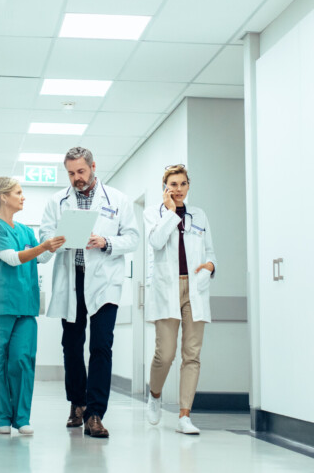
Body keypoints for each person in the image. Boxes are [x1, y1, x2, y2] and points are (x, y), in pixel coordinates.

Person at [40, 147, 139, 438]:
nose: (76, 178)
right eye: (71, 173)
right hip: (72, 282)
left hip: (105, 283)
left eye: (81, 171)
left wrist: (105, 241)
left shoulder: (118, 200)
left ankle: (95, 413)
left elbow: (132, 237)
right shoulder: (56, 201)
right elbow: (44, 237)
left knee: (100, 347)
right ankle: (77, 404)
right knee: (71, 347)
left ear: (94, 166)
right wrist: (53, 241)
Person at [0, 176, 66, 435]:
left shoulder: (26, 231)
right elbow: (13, 259)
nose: (22, 196)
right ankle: (0, 418)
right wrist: (43, 247)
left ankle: (22, 417)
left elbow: (42, 257)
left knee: (23, 361)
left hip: (26, 307)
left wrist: (58, 244)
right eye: (18, 192)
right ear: (4, 197)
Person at [143, 164, 217, 434]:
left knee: (192, 355)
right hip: (167, 288)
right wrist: (171, 213)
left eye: (182, 184)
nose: (178, 189)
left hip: (195, 287)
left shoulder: (200, 215)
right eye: (172, 184)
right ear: (165, 187)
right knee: (165, 354)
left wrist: (210, 265)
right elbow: (157, 242)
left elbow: (210, 251)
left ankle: (185, 415)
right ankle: (154, 394)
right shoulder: (154, 213)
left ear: (188, 186)